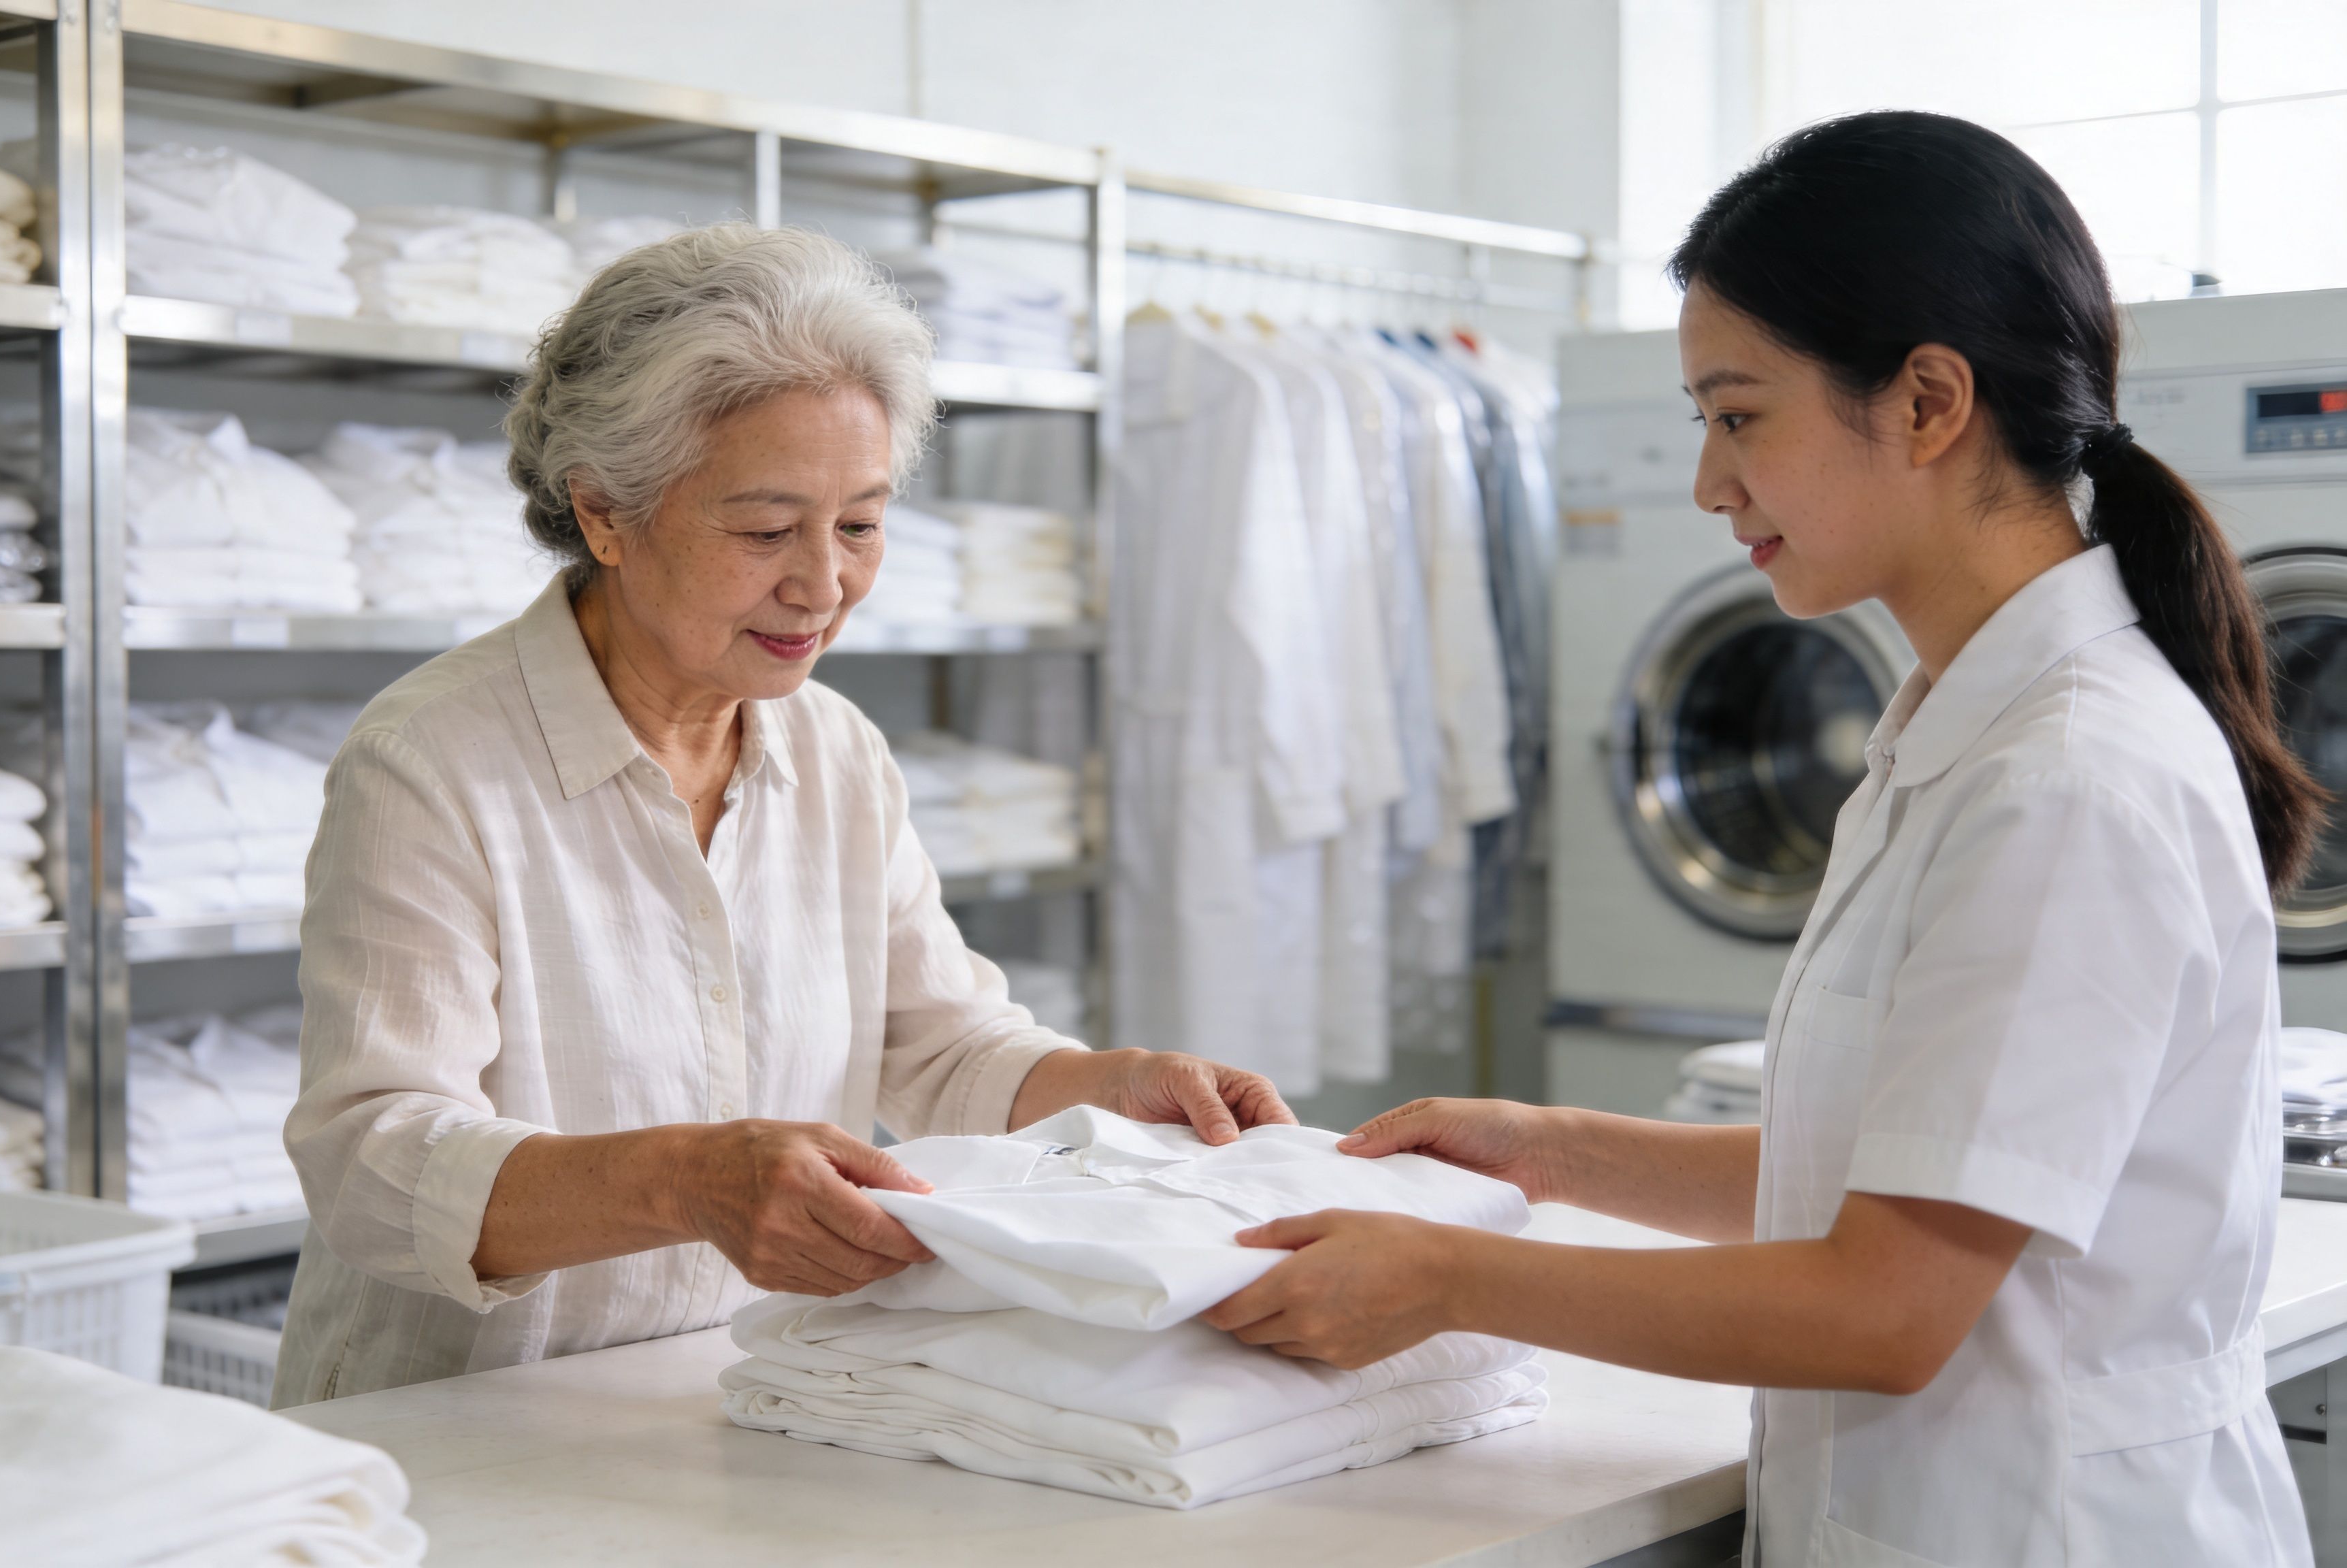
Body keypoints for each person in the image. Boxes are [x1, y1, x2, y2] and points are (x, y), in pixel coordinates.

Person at [1200, 112, 2318, 1565]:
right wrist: (1546, 1149)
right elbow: (1897, 1167)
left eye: (1738, 416)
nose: (1708, 485)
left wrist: (1445, 1277)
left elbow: (1885, 1307)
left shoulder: (2064, 778)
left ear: (1925, 403)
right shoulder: (1965, 726)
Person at [274, 223, 1292, 1407]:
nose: (824, 585)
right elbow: (372, 1159)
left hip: (742, 1395)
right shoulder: (435, 760)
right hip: (466, 1413)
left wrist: (1113, 1083)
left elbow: (941, 1043)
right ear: (605, 514)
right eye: (765, 532)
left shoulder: (837, 752)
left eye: (859, 524)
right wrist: (685, 1180)